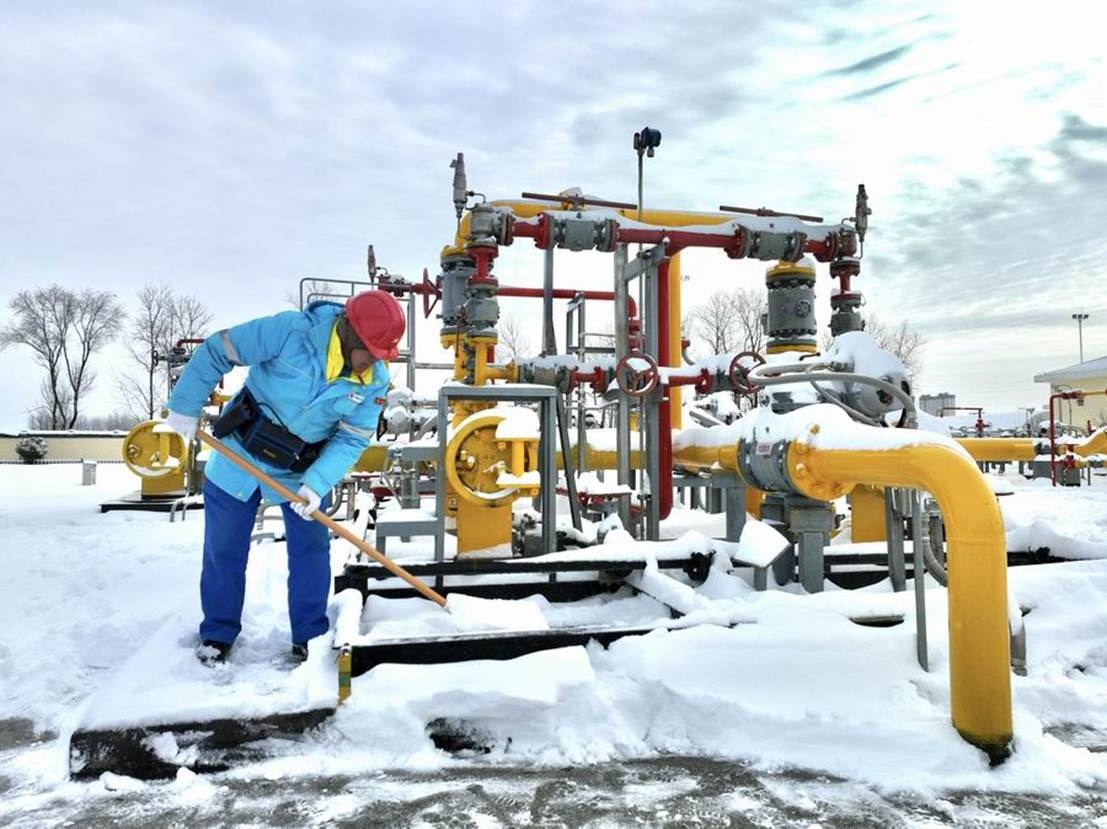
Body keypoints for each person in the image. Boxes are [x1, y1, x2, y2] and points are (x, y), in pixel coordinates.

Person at [164, 291, 405, 665]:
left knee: (311, 551)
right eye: (370, 352)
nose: (373, 362)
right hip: (238, 456)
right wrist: (184, 405)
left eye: (381, 355)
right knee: (224, 549)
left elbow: (352, 438)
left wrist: (318, 483)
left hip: (300, 470)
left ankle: (310, 636)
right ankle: (217, 633)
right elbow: (218, 349)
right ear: (349, 333)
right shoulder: (291, 332)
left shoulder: (374, 381)